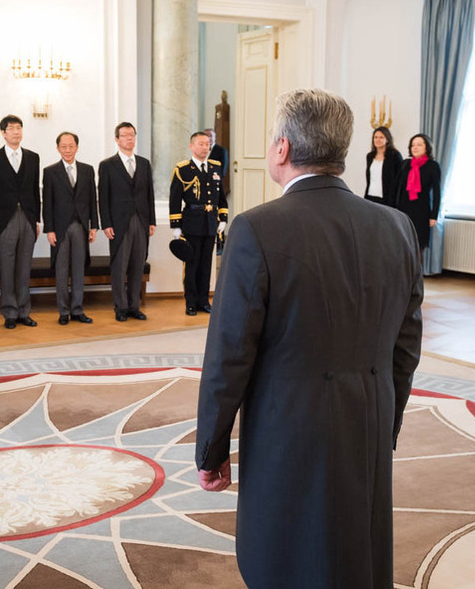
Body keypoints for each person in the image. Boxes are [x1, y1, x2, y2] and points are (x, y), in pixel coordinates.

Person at [195, 89, 423, 588]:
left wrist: (211, 451)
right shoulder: (399, 226)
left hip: (288, 428)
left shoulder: (256, 229)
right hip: (367, 419)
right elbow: (406, 347)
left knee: (286, 558)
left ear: (281, 149)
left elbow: (229, 356)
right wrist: (387, 420)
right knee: (355, 556)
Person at [0, 115, 41, 329]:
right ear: (3, 133)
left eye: (19, 128)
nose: (16, 132)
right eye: (11, 128)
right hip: (5, 220)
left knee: (25, 266)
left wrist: (37, 220)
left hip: (27, 217)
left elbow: (35, 191)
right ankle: (9, 312)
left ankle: (24, 311)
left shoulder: (33, 157)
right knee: (7, 267)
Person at [98, 122, 156, 322]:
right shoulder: (107, 165)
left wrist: (152, 221)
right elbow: (103, 197)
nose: (129, 138)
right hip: (118, 223)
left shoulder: (144, 163)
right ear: (117, 139)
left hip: (141, 220)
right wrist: (106, 223)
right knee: (119, 267)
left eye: (132, 134)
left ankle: (134, 306)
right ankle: (120, 307)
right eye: (125, 135)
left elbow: (149, 194)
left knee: (137, 266)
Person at [43, 131, 98, 325]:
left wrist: (94, 226)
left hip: (81, 226)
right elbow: (47, 204)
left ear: (77, 147)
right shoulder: (50, 172)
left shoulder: (87, 170)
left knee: (78, 270)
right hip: (59, 229)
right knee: (61, 270)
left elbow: (93, 200)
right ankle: (63, 311)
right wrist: (49, 229)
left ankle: (77, 309)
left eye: (71, 146)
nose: (67, 150)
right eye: (63, 146)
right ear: (58, 148)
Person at [169, 131, 228, 315]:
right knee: (192, 264)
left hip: (210, 223)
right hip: (191, 223)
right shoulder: (182, 169)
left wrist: (223, 218)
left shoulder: (215, 167)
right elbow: (175, 199)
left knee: (206, 265)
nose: (205, 147)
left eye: (207, 144)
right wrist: (176, 225)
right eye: (201, 144)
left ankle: (204, 300)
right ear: (192, 146)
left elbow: (221, 196)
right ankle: (191, 302)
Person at [395, 133, 441, 254]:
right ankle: (404, 273)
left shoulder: (432, 166)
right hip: (404, 209)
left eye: (419, 145)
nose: (415, 147)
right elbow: (398, 188)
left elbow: (437, 192)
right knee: (403, 244)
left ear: (427, 147)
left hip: (422, 211)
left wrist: (434, 215)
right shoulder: (405, 164)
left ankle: (417, 273)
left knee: (418, 246)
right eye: (413, 145)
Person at [364, 126, 403, 206]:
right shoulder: (370, 156)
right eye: (375, 137)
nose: (378, 140)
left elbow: (399, 179)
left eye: (381, 137)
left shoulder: (395, 156)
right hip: (370, 196)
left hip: (388, 199)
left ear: (387, 139)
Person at [203, 127, 230, 194]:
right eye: (206, 136)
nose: (209, 138)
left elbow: (223, 170)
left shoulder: (221, 151)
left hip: (215, 183)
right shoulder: (200, 150)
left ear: (215, 137)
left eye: (211, 136)